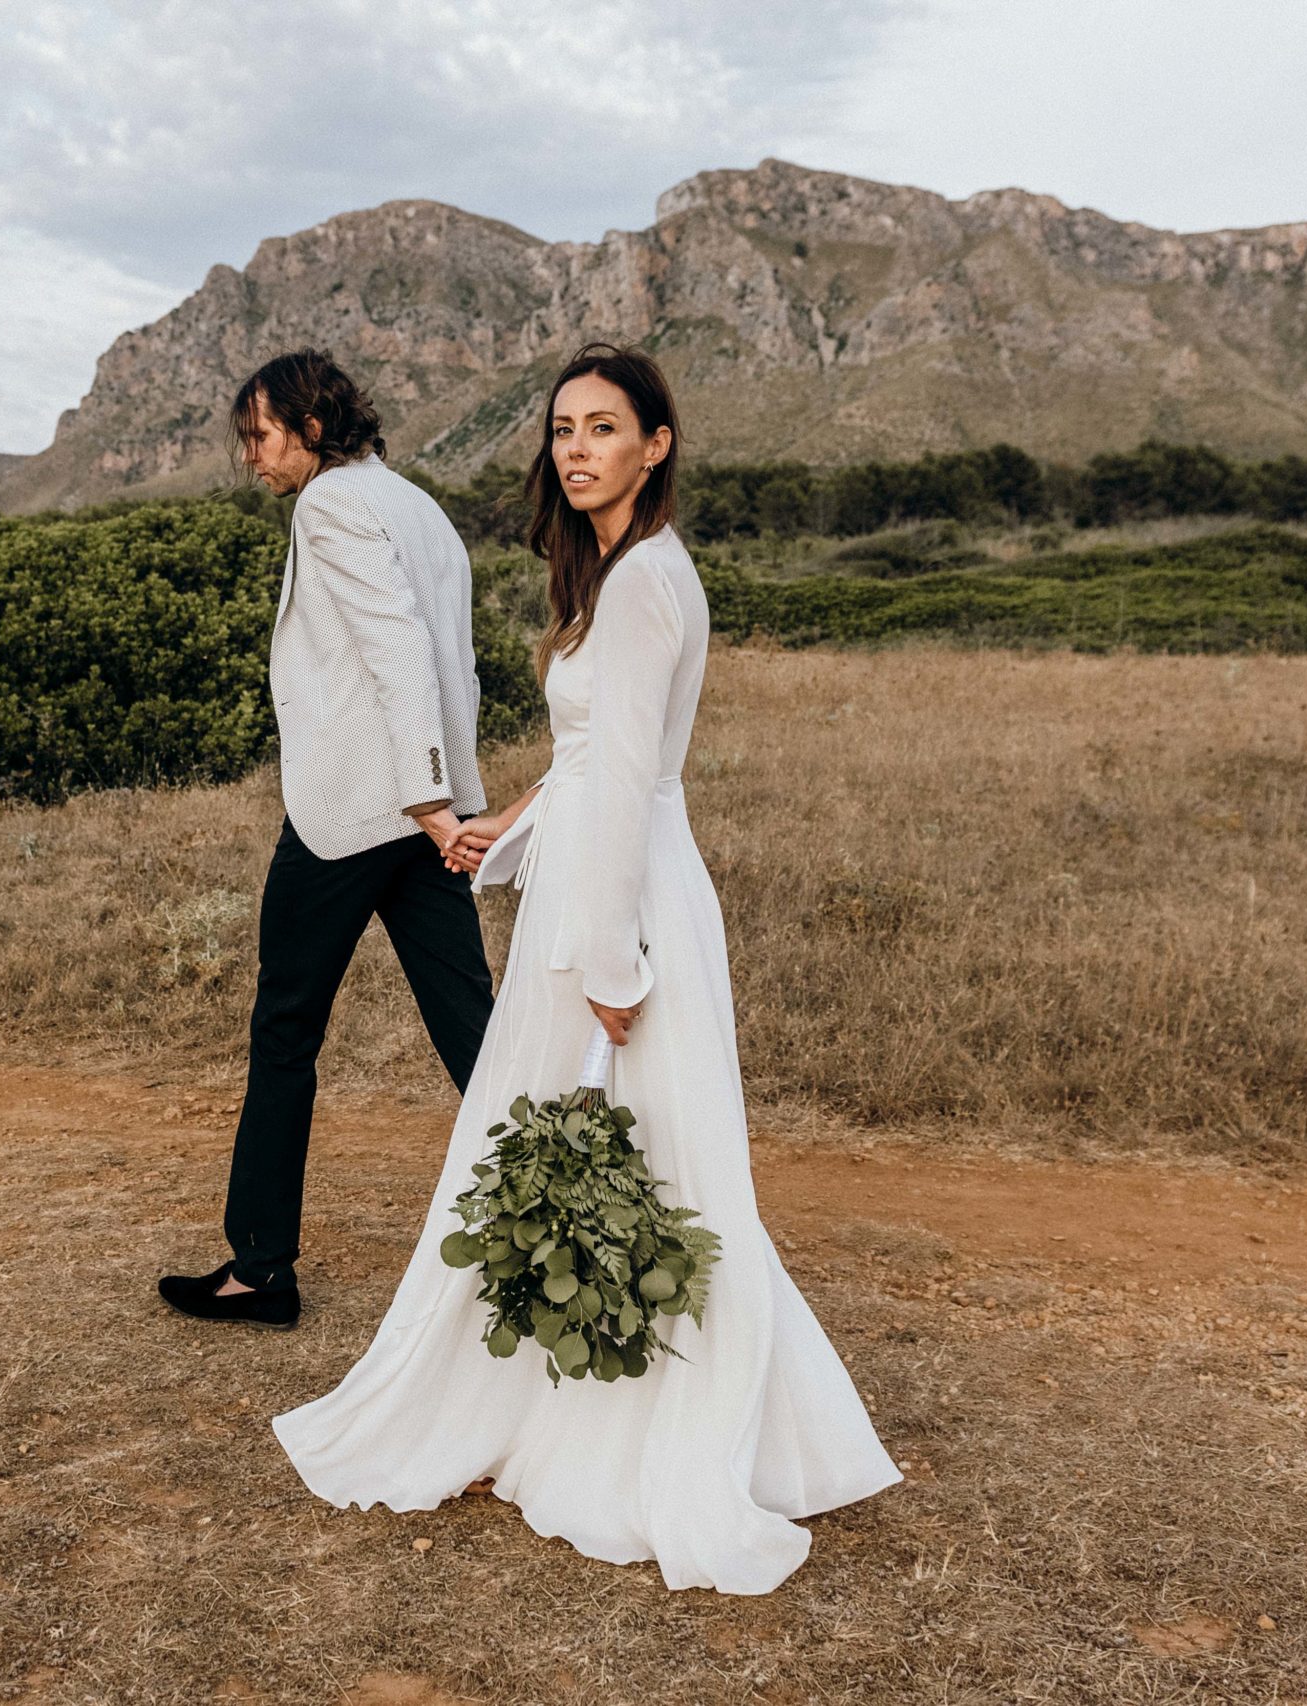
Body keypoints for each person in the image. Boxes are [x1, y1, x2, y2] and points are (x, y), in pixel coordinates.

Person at [272, 343, 899, 1594]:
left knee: (644, 1160)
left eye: (603, 427)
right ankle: (582, 1397)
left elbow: (626, 783)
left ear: (654, 445)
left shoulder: (648, 582)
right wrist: (512, 817)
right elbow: (598, 757)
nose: (575, 447)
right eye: (562, 428)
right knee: (615, 1155)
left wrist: (610, 960)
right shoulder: (617, 574)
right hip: (599, 872)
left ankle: (654, 1427)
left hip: (623, 906)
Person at [157, 349, 493, 1331]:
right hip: (424, 810)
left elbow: (397, 649)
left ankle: (260, 1269)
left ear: (310, 424)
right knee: (479, 1035)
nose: (251, 459)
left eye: (258, 437)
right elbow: (455, 664)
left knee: (284, 1029)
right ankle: (585, 1216)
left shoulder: (334, 505)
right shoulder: (419, 507)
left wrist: (425, 797)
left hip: (358, 813)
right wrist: (447, 800)